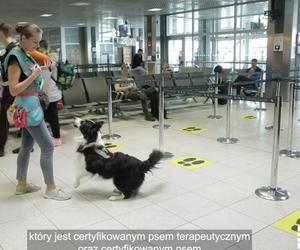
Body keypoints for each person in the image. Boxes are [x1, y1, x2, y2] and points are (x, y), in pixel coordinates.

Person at [5, 23, 71, 200]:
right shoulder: (14, 58)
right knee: (48, 146)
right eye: (35, 42)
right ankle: (51, 189)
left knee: (26, 146)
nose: (37, 46)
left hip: (29, 105)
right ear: (24, 38)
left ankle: (21, 185)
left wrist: (39, 71)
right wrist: (34, 76)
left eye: (39, 42)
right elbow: (13, 89)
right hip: (28, 107)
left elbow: (27, 76)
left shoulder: (24, 54)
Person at [36, 39, 62, 146]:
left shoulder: (45, 60)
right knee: (51, 117)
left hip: (47, 94)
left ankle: (56, 138)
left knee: (50, 117)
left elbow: (44, 79)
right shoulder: (53, 58)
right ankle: (56, 136)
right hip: (53, 93)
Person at [0, 23, 18, 157]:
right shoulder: (11, 48)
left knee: (2, 117)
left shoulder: (12, 50)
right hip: (12, 88)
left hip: (11, 89)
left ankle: (1, 147)